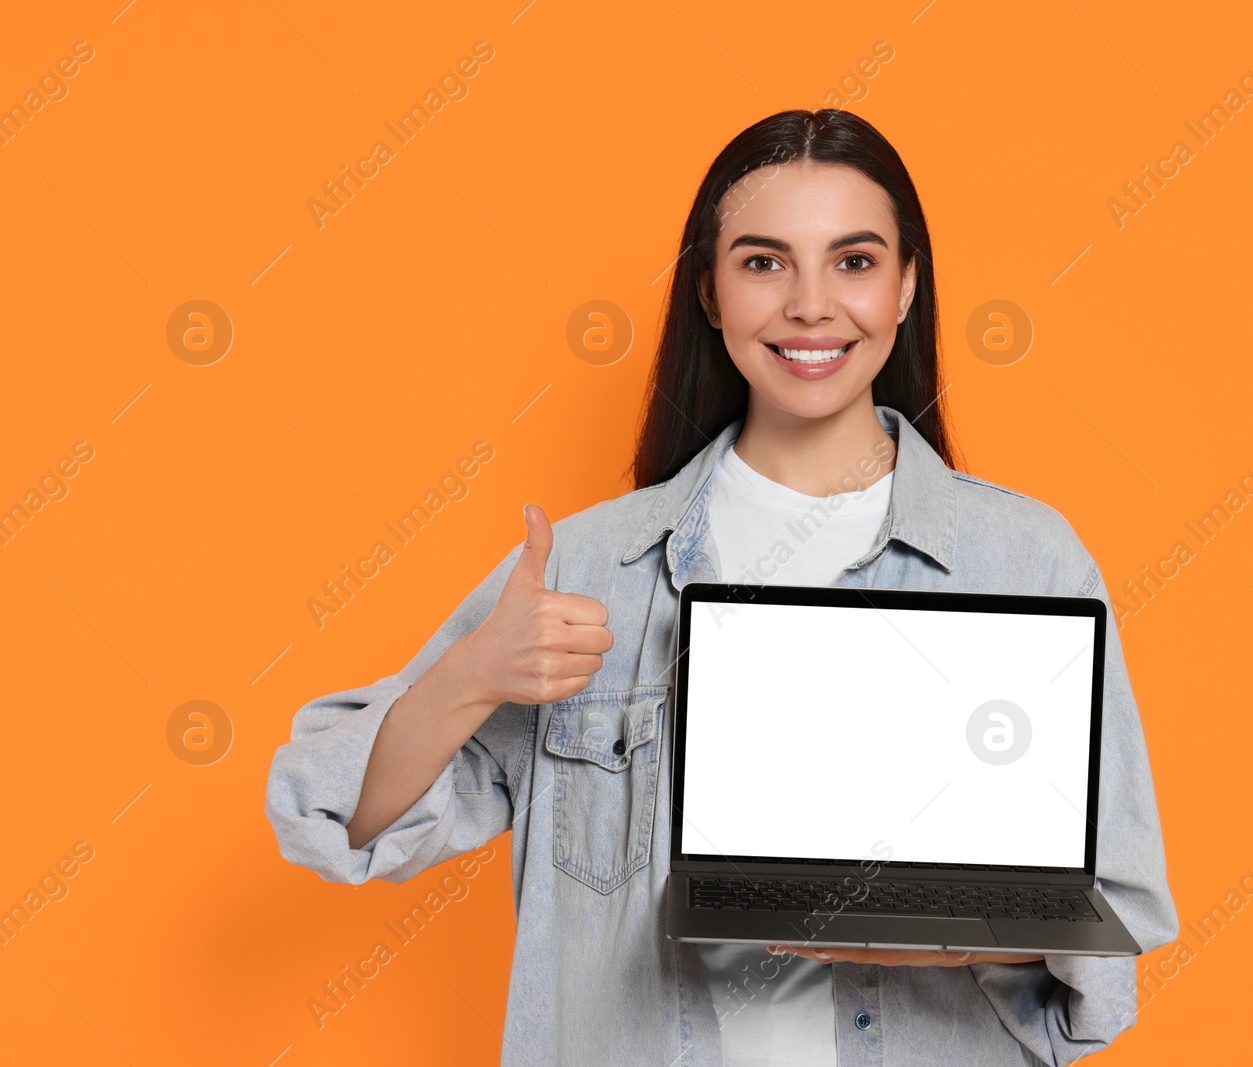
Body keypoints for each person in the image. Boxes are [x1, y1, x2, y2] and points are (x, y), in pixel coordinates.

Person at [265, 108, 1178, 1067]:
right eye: (764, 262)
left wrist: (912, 921)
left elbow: (1113, 920)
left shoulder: (1024, 561)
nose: (812, 305)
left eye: (855, 262)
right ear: (710, 291)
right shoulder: (590, 570)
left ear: (908, 286)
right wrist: (472, 673)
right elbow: (334, 819)